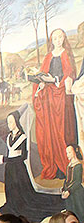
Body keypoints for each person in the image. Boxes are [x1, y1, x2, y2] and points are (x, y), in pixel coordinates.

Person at [29, 27, 76, 180]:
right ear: (51, 41)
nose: (57, 41)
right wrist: (41, 83)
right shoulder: (48, 56)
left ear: (64, 39)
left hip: (61, 96)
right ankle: (53, 166)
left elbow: (69, 74)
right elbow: (42, 74)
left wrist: (57, 81)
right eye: (55, 38)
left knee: (61, 130)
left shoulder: (66, 54)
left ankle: (65, 166)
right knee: (49, 131)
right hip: (49, 96)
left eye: (60, 38)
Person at [0, 110, 57, 220]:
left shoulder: (23, 137)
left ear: (16, 122)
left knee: (22, 194)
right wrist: (5, 159)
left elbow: (23, 157)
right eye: (8, 122)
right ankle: (12, 204)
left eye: (11, 122)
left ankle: (20, 206)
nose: (9, 125)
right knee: (10, 189)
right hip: (9, 168)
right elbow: (9, 153)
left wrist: (4, 159)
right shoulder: (9, 137)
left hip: (18, 170)